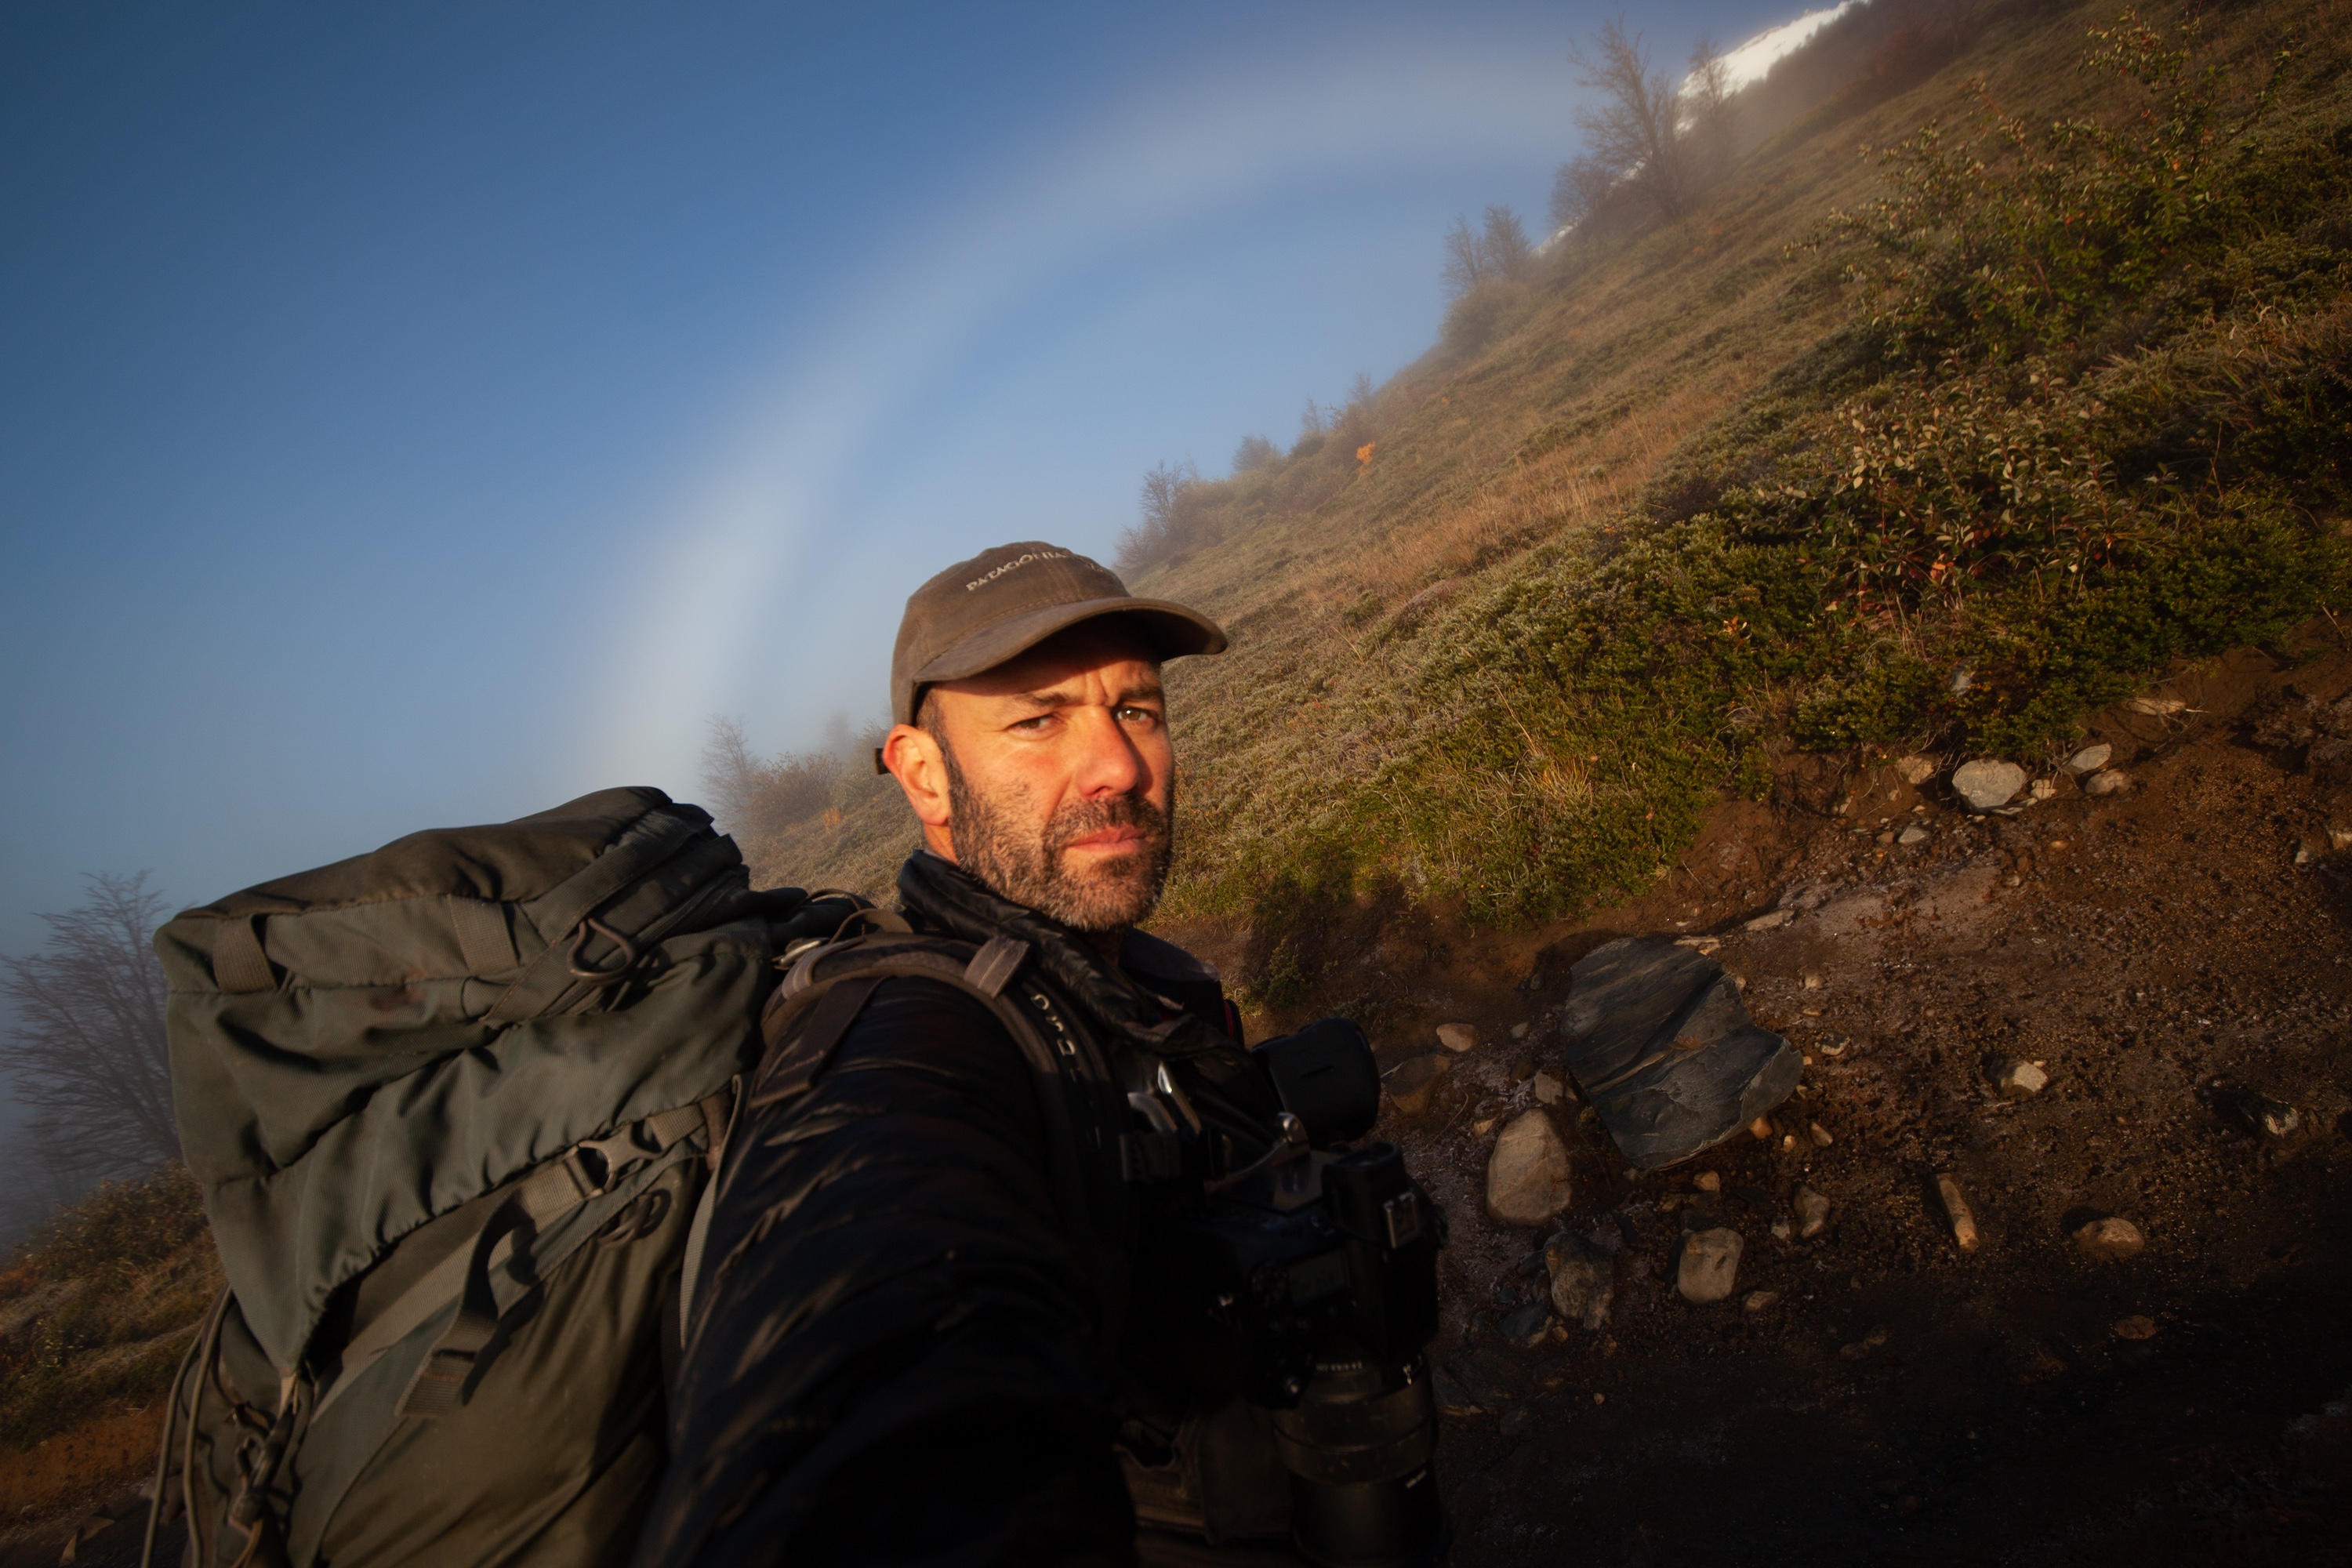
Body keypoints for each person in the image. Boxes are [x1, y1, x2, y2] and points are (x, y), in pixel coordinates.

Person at [634, 543, 1320, 1566]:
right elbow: (864, 1302)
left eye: (1137, 708)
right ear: (924, 775)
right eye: (1039, 720)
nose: (1119, 766)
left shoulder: (1133, 975)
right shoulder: (904, 1030)